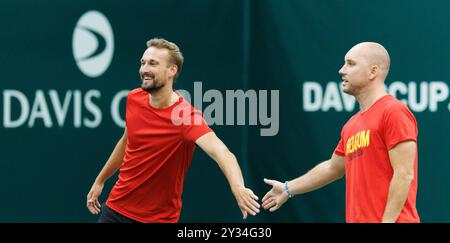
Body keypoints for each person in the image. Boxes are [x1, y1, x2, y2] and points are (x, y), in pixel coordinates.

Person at [86, 38, 260, 223]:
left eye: (153, 63)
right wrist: (100, 180)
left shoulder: (185, 117)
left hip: (157, 220)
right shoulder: (134, 98)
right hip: (114, 210)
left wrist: (238, 186)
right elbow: (127, 142)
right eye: (143, 63)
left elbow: (222, 153)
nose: (144, 69)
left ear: (172, 70)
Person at [262, 42, 420, 223]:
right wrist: (288, 188)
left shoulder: (393, 112)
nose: (341, 70)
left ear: (373, 71)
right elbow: (333, 168)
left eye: (351, 64)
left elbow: (404, 174)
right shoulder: (351, 125)